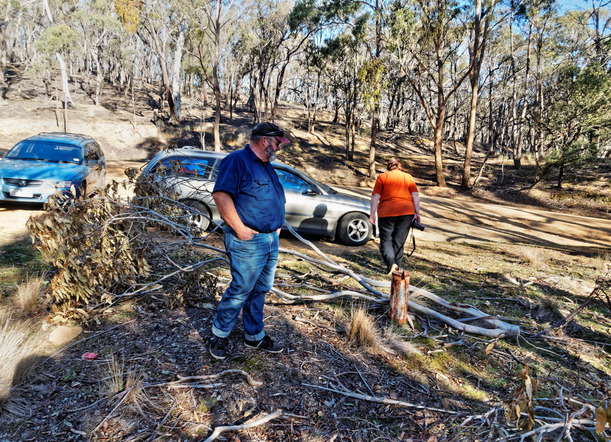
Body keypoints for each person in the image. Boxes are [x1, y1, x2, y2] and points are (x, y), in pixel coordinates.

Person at [208, 122, 290, 360]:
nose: (278, 148)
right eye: (277, 143)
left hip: (269, 240)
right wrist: (240, 229)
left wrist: (275, 227)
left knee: (260, 289)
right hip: (248, 240)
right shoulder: (237, 161)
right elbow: (221, 195)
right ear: (264, 140)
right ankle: (219, 336)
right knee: (241, 288)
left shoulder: (267, 166)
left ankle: (253, 336)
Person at [369, 157, 421, 274]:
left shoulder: (382, 177)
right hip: (406, 212)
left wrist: (372, 213)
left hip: (386, 212)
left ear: (389, 166)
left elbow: (375, 196)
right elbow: (415, 195)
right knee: (399, 240)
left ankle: (392, 264)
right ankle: (398, 266)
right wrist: (417, 213)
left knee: (386, 240)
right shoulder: (408, 177)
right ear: (400, 166)